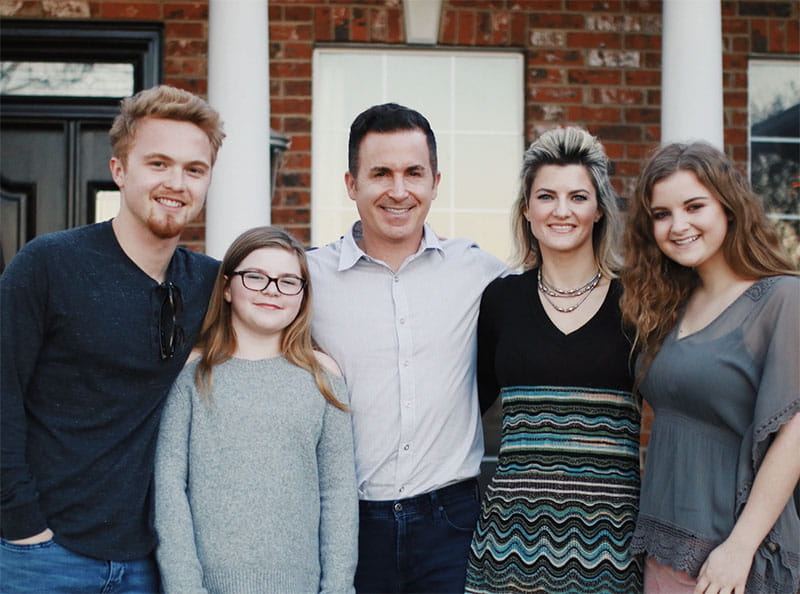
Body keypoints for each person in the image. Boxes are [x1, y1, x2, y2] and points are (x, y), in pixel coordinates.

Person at [0, 85, 225, 593]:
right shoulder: (49, 264)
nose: (177, 183)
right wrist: (22, 524)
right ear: (120, 171)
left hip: (150, 562)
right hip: (42, 556)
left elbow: (280, 317)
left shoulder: (211, 286)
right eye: (159, 163)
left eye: (195, 169)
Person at [306, 102, 507, 593]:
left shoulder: (478, 271)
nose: (399, 191)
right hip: (345, 524)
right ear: (352, 184)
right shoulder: (307, 279)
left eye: (413, 173)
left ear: (435, 181)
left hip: (452, 523)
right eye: (380, 173)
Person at [464, 126, 643, 593]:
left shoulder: (638, 301)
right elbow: (466, 403)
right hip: (508, 547)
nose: (561, 211)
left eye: (578, 197)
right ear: (526, 208)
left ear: (599, 209)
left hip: (612, 547)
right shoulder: (500, 300)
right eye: (546, 196)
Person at [620, 141, 800, 594]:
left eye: (694, 206)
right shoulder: (669, 305)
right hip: (663, 542)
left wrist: (739, 548)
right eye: (662, 214)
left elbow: (794, 437)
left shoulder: (782, 299)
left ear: (729, 208)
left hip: (733, 557)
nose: (678, 225)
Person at [154, 225, 358, 593]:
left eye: (287, 281)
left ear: (302, 295)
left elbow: (338, 495)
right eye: (256, 277)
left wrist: (338, 588)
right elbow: (169, 490)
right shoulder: (191, 376)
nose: (271, 291)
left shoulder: (323, 379)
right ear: (228, 287)